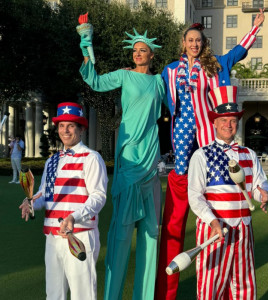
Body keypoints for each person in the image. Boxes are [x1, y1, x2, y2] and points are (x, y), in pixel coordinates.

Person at [155, 9, 265, 300]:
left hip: (205, 128)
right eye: (190, 40)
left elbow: (238, 53)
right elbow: (154, 91)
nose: (194, 44)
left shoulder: (213, 64)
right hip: (181, 129)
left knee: (211, 162)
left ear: (203, 44)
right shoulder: (169, 70)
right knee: (181, 178)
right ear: (183, 43)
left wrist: (254, 29)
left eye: (198, 40)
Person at [79, 27, 166, 299]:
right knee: (120, 237)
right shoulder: (124, 75)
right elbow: (94, 80)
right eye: (135, 50)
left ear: (152, 55)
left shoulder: (161, 82)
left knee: (151, 236)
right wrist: (86, 44)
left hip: (151, 161)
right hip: (128, 160)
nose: (138, 53)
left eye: (143, 50)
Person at [188, 85, 268, 299]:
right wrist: (212, 221)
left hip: (244, 230)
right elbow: (195, 196)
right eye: (223, 120)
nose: (228, 124)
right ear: (214, 122)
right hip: (214, 229)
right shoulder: (201, 155)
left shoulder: (249, 154)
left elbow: (259, 186)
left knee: (244, 286)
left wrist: (265, 194)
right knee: (210, 287)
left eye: (233, 120)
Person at [19, 102, 108, 300]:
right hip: (52, 236)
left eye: (71, 125)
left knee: (82, 295)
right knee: (53, 294)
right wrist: (31, 202)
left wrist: (74, 217)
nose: (65, 130)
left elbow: (98, 197)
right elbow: (45, 193)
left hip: (79, 235)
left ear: (81, 129)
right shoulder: (52, 160)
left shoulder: (91, 158)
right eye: (61, 125)